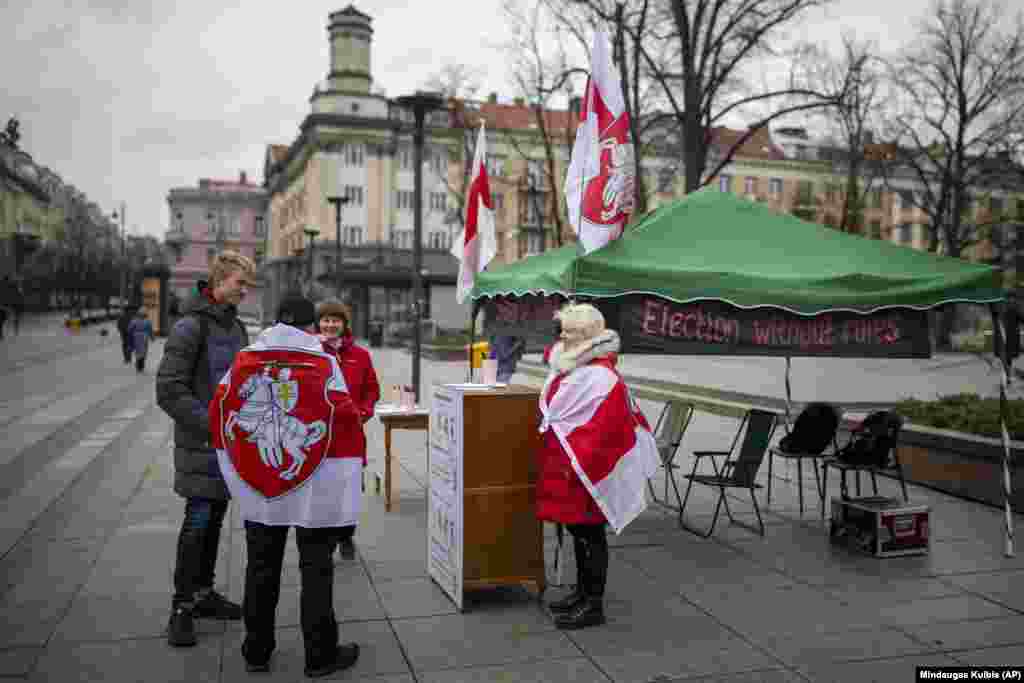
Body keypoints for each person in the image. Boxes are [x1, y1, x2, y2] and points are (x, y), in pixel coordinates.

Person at [210, 294, 363, 677]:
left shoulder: (245, 360)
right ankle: (320, 655)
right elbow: (345, 418)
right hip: (315, 482)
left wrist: (236, 467)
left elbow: (220, 409)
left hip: (262, 481)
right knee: (316, 567)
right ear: (310, 326)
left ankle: (256, 651)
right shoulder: (324, 361)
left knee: (261, 566)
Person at [536, 303, 658, 630]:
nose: (563, 336)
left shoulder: (601, 375)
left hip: (588, 469)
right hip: (571, 465)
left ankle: (593, 604)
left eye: (570, 331)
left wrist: (580, 459)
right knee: (578, 531)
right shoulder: (575, 365)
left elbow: (607, 430)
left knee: (590, 534)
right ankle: (581, 593)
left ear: (588, 335)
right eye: (562, 329)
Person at [155, 251, 255, 648]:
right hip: (202, 444)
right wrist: (213, 424)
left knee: (214, 520)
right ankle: (181, 608)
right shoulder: (189, 326)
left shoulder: (237, 328)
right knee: (198, 522)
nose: (245, 291)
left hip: (229, 446)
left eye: (248, 284)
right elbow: (169, 390)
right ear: (219, 281)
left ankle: (203, 593)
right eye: (240, 283)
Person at [316, 299, 380, 561]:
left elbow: (371, 389)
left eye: (336, 320)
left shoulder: (360, 355)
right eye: (325, 320)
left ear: (344, 324)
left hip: (351, 434)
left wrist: (363, 413)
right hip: (320, 435)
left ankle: (345, 534)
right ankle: (326, 539)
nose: (330, 325)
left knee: (350, 489)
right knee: (325, 490)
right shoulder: (310, 352)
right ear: (318, 323)